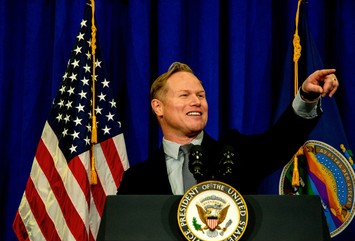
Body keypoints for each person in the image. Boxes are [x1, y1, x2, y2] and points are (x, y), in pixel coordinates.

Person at [117, 62, 339, 195]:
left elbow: (278, 142)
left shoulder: (234, 154)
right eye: (184, 95)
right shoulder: (137, 179)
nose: (197, 102)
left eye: (201, 95)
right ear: (158, 107)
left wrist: (306, 97)